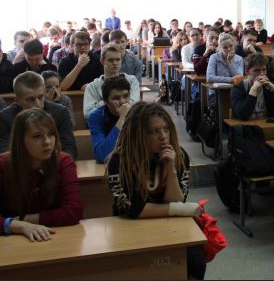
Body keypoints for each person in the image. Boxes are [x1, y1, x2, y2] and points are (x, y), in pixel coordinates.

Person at [105, 102, 204, 279]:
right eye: (154, 131)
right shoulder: (120, 161)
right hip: (130, 227)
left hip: (169, 225)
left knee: (196, 262)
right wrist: (179, 209)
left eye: (166, 129)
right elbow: (133, 209)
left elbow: (177, 201)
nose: (163, 136)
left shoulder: (178, 156)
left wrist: (171, 169)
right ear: (138, 134)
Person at [0, 109, 83, 240]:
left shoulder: (63, 161)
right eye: (37, 136)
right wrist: (18, 226)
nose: (47, 142)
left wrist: (24, 219)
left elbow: (74, 211)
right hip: (11, 240)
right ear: (20, 140)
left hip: (54, 236)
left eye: (51, 134)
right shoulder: (3, 164)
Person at [0, 72, 77, 159]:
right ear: (17, 100)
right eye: (30, 99)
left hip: (54, 164)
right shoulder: (5, 118)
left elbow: (69, 149)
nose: (37, 104)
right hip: (21, 166)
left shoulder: (60, 112)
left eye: (40, 97)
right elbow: (4, 153)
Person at [83, 45, 140, 118]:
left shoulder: (132, 80)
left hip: (127, 122)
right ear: (102, 61)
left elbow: (134, 106)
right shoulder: (92, 86)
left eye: (118, 59)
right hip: (103, 123)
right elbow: (88, 114)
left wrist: (103, 103)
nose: (115, 63)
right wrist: (109, 100)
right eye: (110, 60)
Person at [87, 76, 132, 163]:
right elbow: (102, 155)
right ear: (106, 101)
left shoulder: (138, 113)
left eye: (126, 96)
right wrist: (122, 118)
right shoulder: (96, 117)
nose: (123, 102)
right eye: (116, 98)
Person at [231, 53, 274, 121]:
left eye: (264, 70)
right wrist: (254, 90)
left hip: (266, 124)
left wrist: (273, 91)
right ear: (247, 71)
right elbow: (243, 115)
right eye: (257, 70)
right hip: (246, 126)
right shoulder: (238, 88)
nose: (262, 74)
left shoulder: (273, 86)